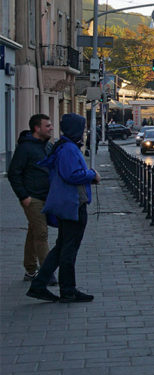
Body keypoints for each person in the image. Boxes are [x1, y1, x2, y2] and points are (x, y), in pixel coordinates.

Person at [26, 114, 99, 304]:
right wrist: (92, 175)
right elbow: (72, 175)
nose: (84, 133)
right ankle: (68, 290)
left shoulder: (65, 146)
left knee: (61, 248)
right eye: (82, 129)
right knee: (69, 249)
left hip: (67, 204)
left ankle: (39, 284)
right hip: (72, 204)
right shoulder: (68, 149)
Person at [8, 114, 54, 283]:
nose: (51, 128)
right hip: (32, 198)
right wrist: (23, 196)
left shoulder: (47, 146)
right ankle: (46, 273)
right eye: (47, 126)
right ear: (37, 128)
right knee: (41, 234)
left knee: (34, 231)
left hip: (46, 196)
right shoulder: (25, 148)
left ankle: (29, 270)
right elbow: (14, 173)